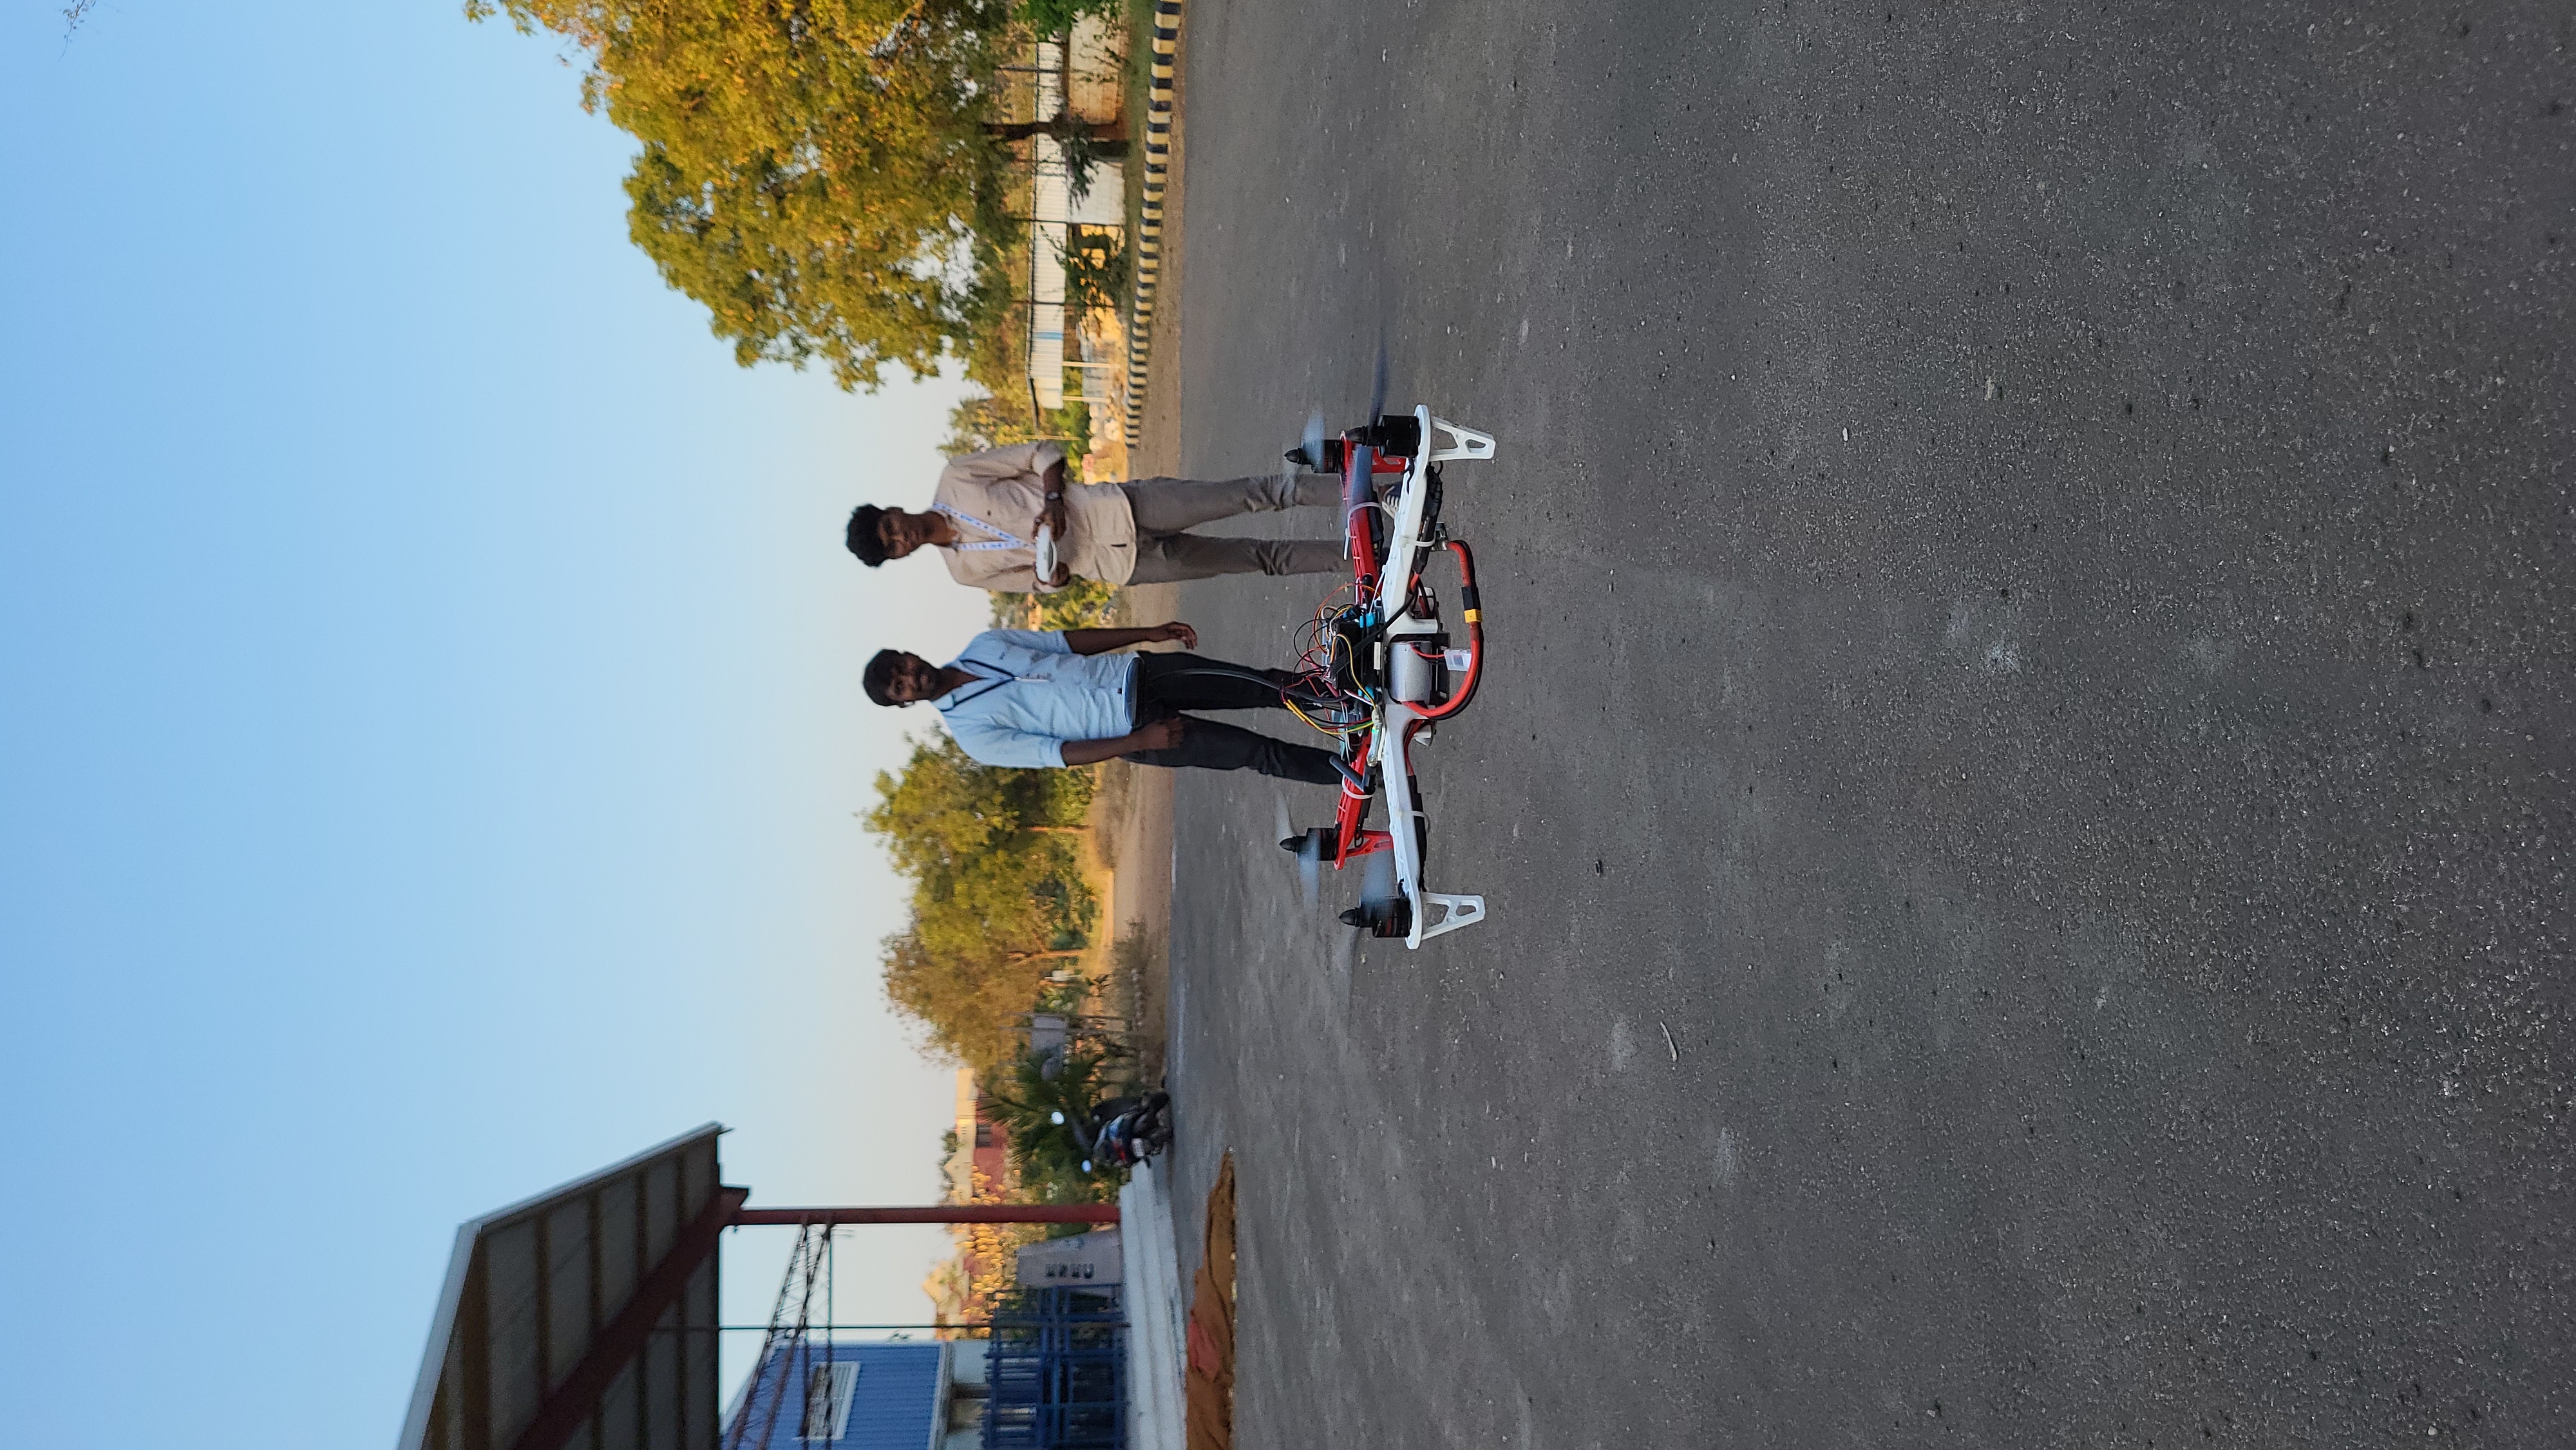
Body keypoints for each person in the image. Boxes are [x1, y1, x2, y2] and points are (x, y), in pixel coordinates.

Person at [863, 622, 1341, 785]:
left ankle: (1355, 696)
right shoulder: (972, 735)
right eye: (900, 688)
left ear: (908, 654)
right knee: (1259, 755)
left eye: (901, 668)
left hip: (1139, 673)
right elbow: (1059, 753)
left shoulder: (984, 644)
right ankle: (1363, 773)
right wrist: (1140, 740)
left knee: (1264, 685)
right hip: (1137, 729)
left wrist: (1145, 633)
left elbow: (1065, 642)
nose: (910, 678)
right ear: (905, 703)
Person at [844, 441, 1343, 592]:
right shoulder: (964, 572)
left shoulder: (957, 477)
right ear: (900, 556)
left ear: (891, 511)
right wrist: (1055, 578)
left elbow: (1042, 454)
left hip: (1119, 507)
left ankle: (1375, 494)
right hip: (1121, 567)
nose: (900, 537)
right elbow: (1036, 584)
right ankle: (1367, 559)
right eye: (892, 547)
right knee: (1260, 559)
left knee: (1259, 494)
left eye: (889, 528)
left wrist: (1053, 502)